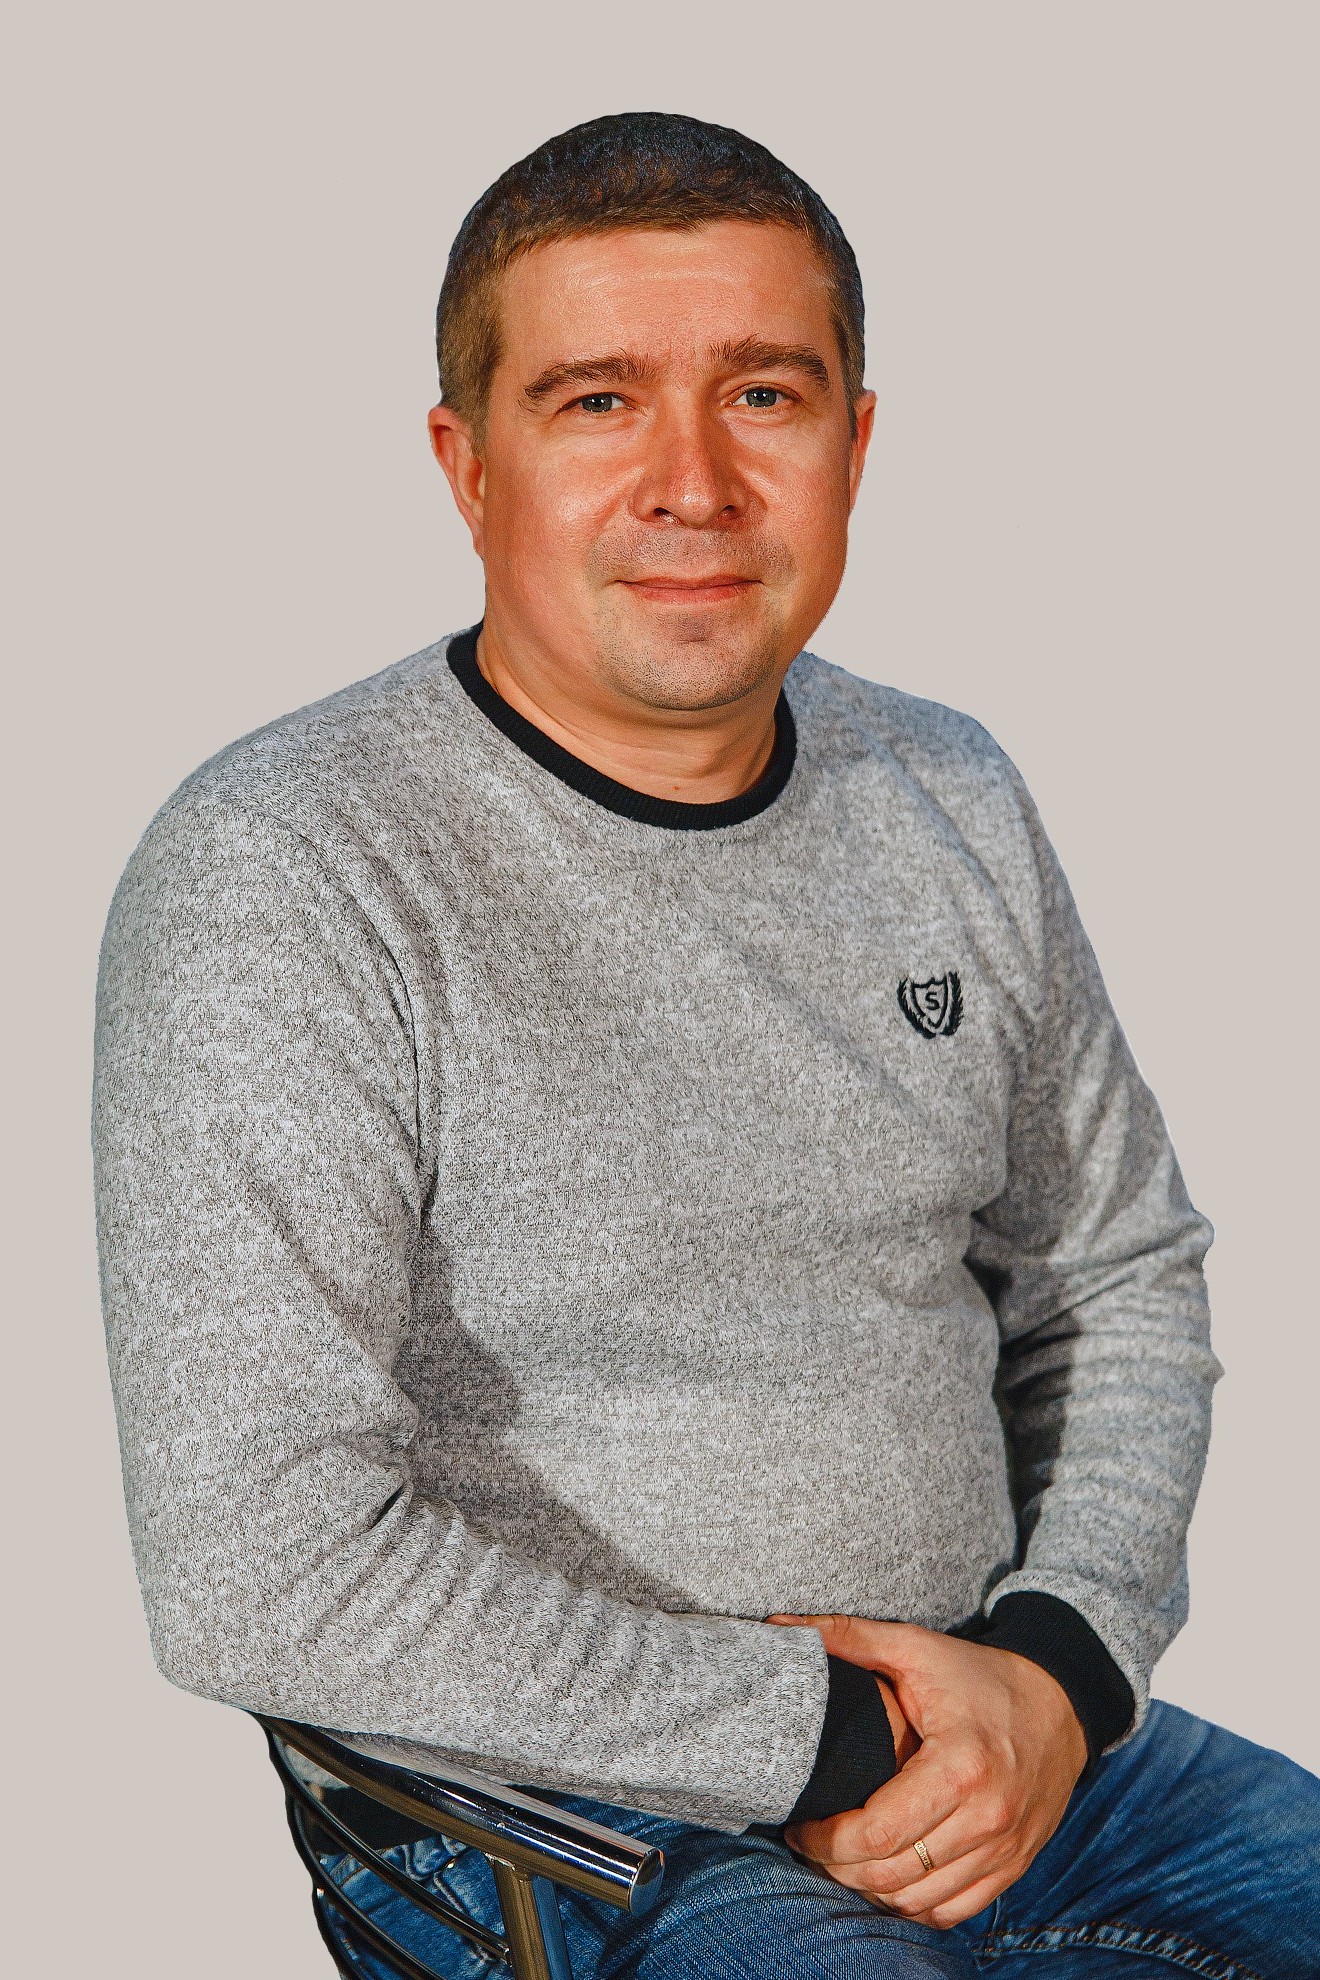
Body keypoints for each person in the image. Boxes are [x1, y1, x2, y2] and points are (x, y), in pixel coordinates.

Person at [92, 112, 1318, 1979]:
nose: (695, 483)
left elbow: (1119, 1275)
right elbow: (257, 1559)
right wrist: (829, 1737)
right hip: (563, 1823)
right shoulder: (287, 871)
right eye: (596, 402)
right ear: (467, 465)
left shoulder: (947, 789)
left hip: (1005, 1736)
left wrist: (1060, 1671)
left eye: (763, 394)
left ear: (855, 443)